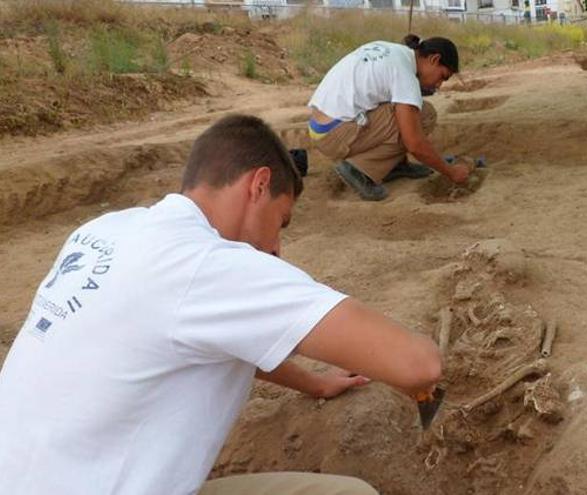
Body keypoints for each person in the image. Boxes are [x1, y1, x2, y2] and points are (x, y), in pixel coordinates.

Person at [0, 114, 442, 495]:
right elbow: (418, 366)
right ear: (260, 184)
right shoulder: (209, 266)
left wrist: (314, 383)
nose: (276, 247)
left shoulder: (106, 230)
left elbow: (203, 334)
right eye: (280, 221)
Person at [308, 34, 472, 201]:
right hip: (334, 134)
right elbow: (414, 144)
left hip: (321, 125)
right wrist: (451, 172)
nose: (439, 85)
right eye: (442, 76)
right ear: (434, 59)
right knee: (424, 116)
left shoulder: (394, 51)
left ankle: (393, 166)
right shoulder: (405, 75)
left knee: (409, 110)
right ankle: (358, 170)